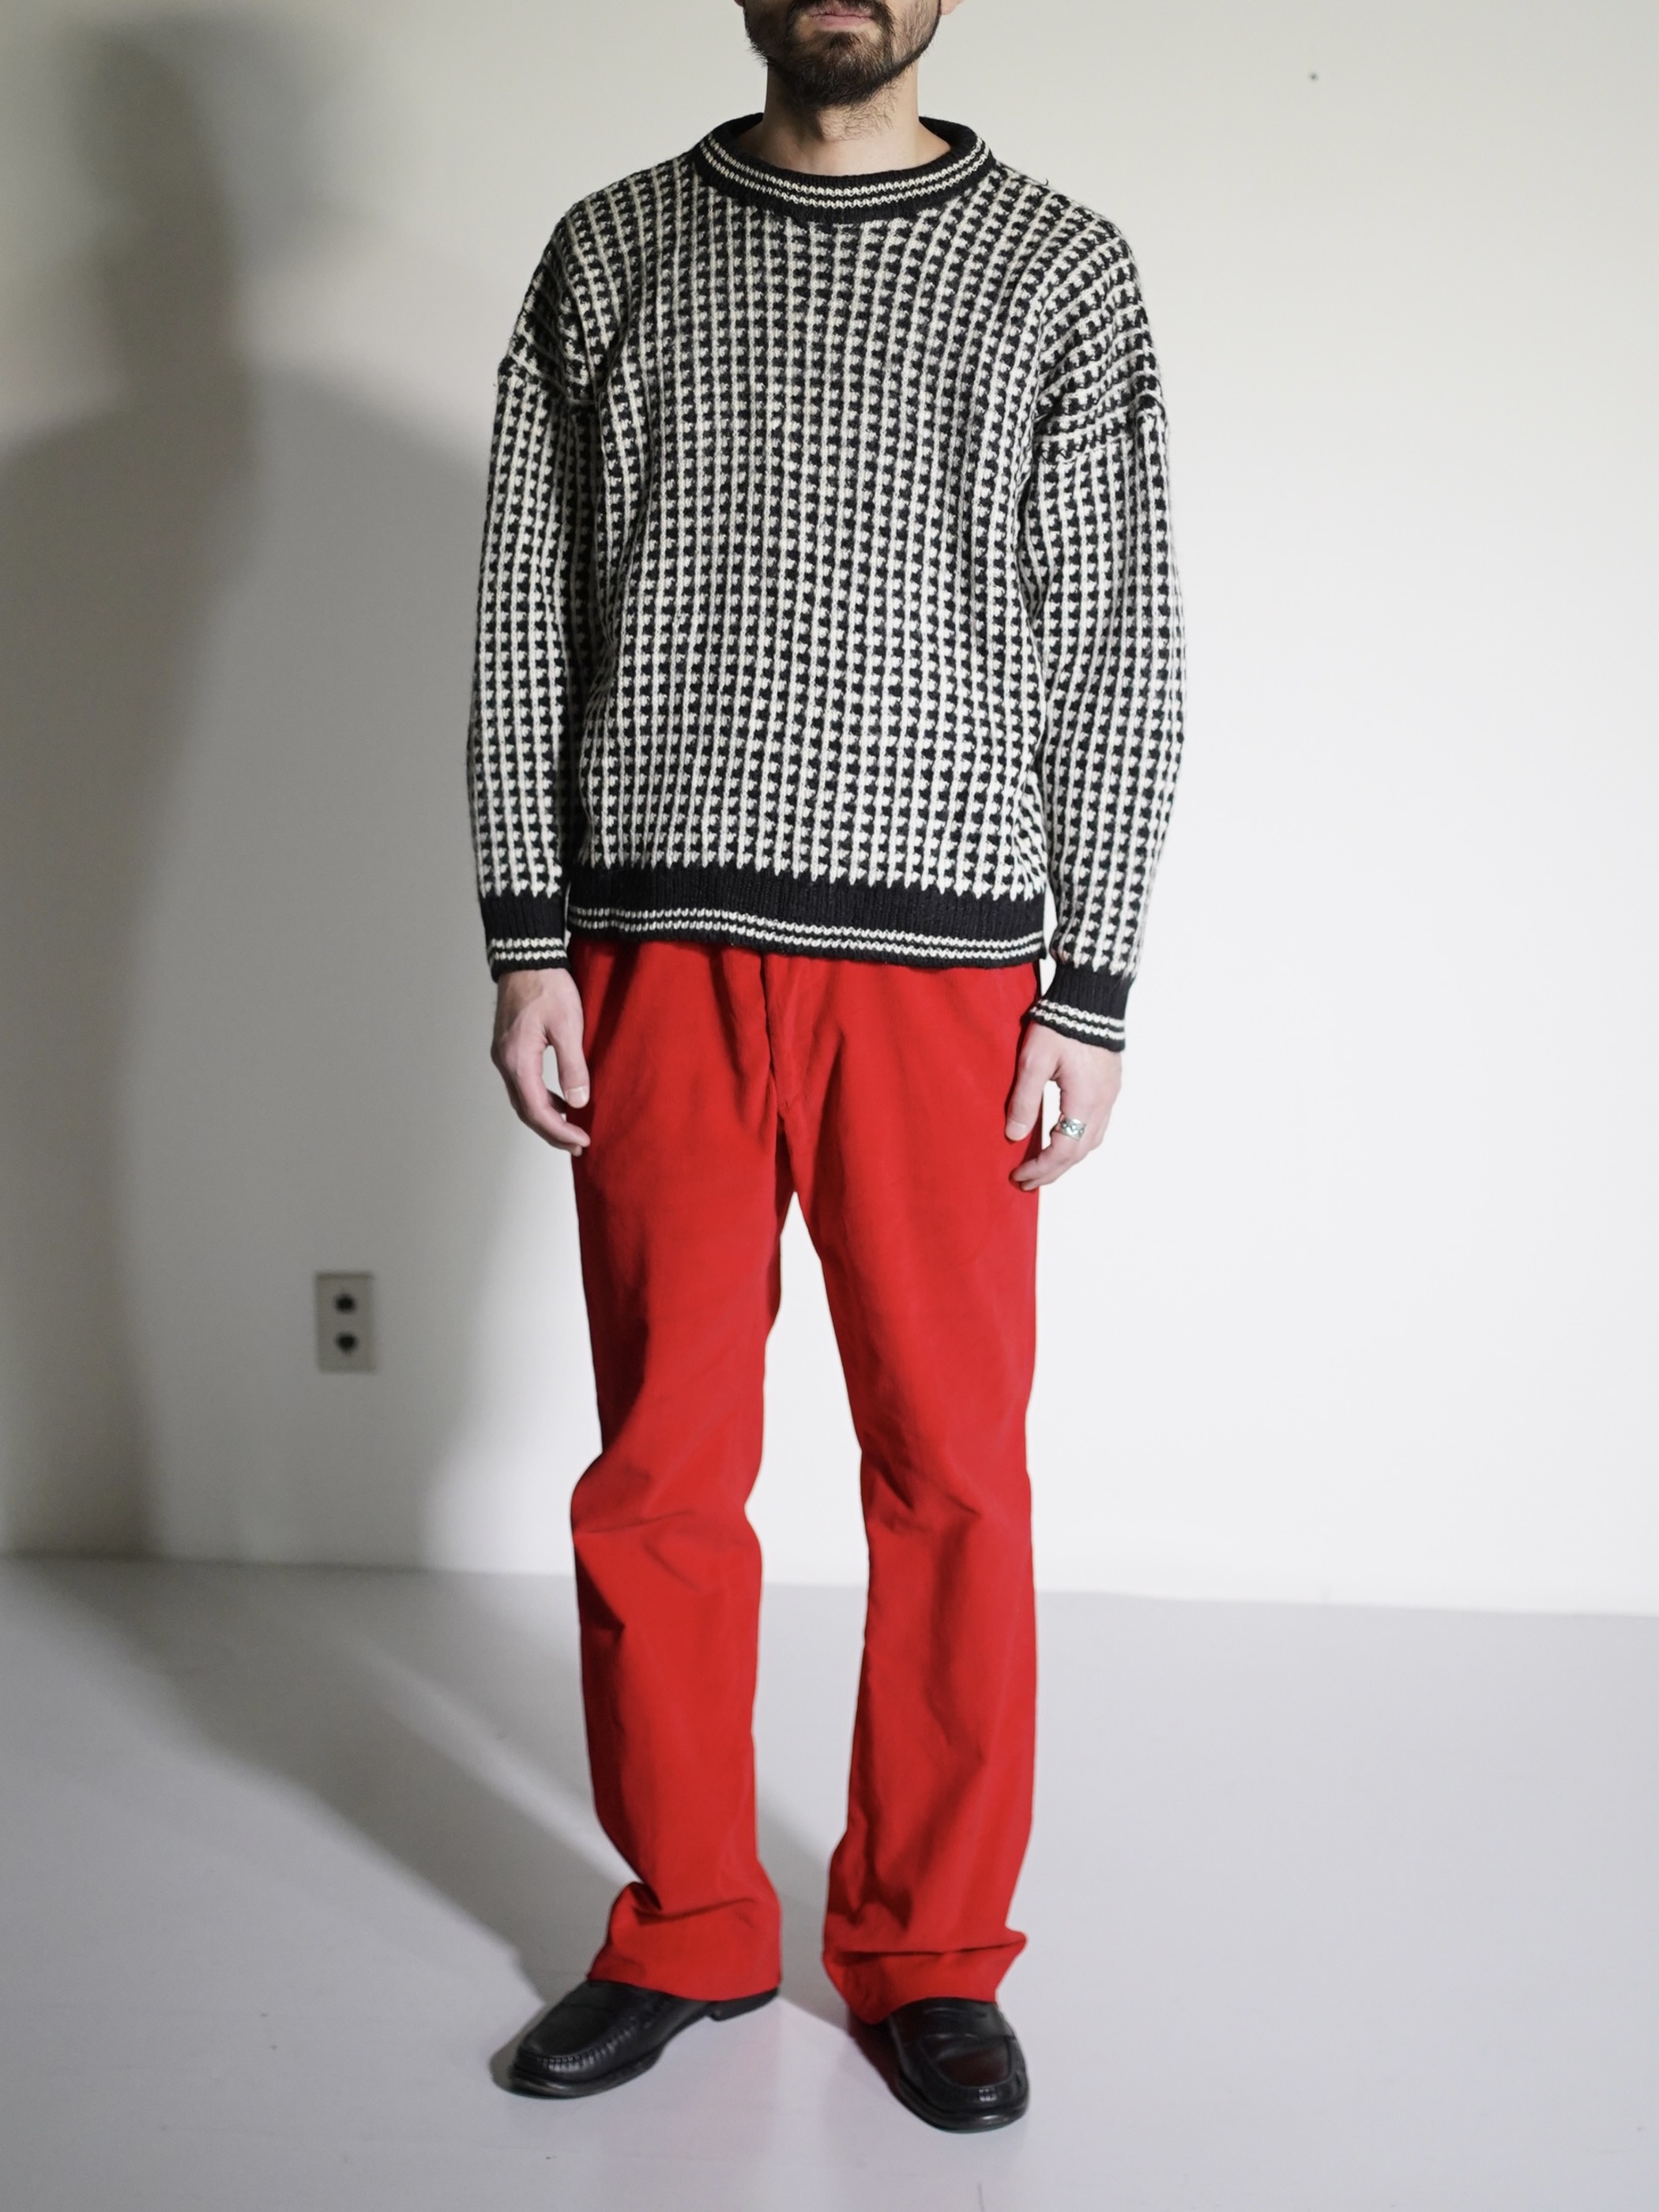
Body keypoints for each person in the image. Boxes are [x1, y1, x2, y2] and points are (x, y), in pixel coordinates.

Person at [468, 0, 1183, 2134]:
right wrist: (527, 936)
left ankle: (930, 1951)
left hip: (944, 969)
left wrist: (1089, 987)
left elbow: (1120, 635)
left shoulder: (1059, 266)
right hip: (656, 947)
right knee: (660, 1474)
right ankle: (685, 1921)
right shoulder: (611, 248)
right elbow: (523, 608)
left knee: (950, 1472)